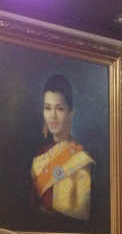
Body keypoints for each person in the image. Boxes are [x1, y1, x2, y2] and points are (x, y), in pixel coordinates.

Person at [30, 74, 95, 221]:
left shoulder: (81, 158)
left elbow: (80, 214)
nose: (52, 115)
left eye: (59, 109)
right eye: (47, 108)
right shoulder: (39, 154)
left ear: (70, 114)